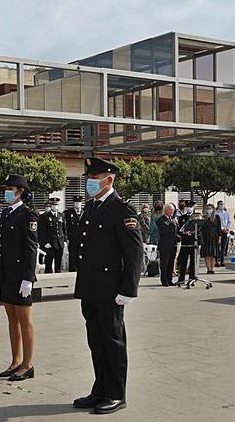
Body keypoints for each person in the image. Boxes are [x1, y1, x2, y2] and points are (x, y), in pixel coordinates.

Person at [72, 158, 143, 414]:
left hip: (111, 289)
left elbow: (134, 253)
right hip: (90, 287)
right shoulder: (91, 207)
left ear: (109, 179)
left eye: (96, 176)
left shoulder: (121, 209)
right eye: (89, 177)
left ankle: (115, 393)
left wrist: (128, 289)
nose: (90, 182)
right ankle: (100, 389)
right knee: (96, 341)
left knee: (113, 342)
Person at [0, 174, 38, 382]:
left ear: (20, 191)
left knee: (25, 320)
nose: (6, 192)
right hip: (7, 275)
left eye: (10, 188)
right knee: (11, 318)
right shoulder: (6, 214)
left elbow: (31, 248)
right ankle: (15, 361)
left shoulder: (28, 215)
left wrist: (28, 278)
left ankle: (28, 365)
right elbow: (2, 248)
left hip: (22, 276)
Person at [38, 197, 66, 273]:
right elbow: (41, 231)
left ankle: (58, 279)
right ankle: (48, 280)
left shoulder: (61, 215)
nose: (55, 206)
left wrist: (65, 240)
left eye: (56, 205)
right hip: (50, 243)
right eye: (53, 205)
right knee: (49, 264)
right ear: (50, 205)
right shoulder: (45, 216)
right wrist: (44, 242)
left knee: (58, 264)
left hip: (59, 243)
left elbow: (64, 229)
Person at [156, 203, 179, 286]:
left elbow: (176, 231)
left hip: (173, 244)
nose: (172, 211)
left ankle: (170, 279)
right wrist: (171, 224)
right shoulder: (161, 220)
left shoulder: (173, 219)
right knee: (164, 263)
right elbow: (163, 232)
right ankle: (164, 280)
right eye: (170, 209)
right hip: (165, 245)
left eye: (173, 210)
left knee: (171, 263)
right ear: (166, 210)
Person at [177, 201, 198, 282]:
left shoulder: (196, 217)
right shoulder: (182, 217)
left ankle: (191, 277)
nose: (189, 208)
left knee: (193, 261)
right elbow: (179, 230)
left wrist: (193, 232)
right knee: (183, 260)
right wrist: (184, 232)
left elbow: (200, 228)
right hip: (185, 241)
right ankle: (181, 278)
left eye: (191, 206)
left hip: (193, 241)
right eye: (188, 207)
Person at [199, 204, 221, 274]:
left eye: (210, 208)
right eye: (207, 208)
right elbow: (201, 228)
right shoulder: (203, 217)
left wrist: (219, 237)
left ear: (213, 209)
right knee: (207, 254)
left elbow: (218, 228)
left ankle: (212, 268)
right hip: (205, 237)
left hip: (214, 237)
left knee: (213, 254)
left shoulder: (217, 217)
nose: (208, 210)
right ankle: (208, 269)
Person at [64, 195, 84, 272]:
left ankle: (81, 268)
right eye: (76, 202)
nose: (77, 204)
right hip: (72, 238)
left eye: (79, 202)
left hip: (82, 238)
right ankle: (72, 269)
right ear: (73, 203)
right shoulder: (68, 213)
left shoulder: (85, 212)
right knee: (73, 254)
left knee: (81, 254)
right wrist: (67, 238)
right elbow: (65, 227)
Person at [215, 200, 231, 267]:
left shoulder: (226, 213)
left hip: (225, 232)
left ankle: (222, 260)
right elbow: (217, 223)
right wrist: (222, 229)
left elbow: (229, 222)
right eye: (220, 204)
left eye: (223, 204)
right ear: (218, 205)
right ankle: (217, 261)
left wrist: (227, 228)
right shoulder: (216, 213)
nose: (222, 205)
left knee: (223, 247)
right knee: (217, 247)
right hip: (219, 231)